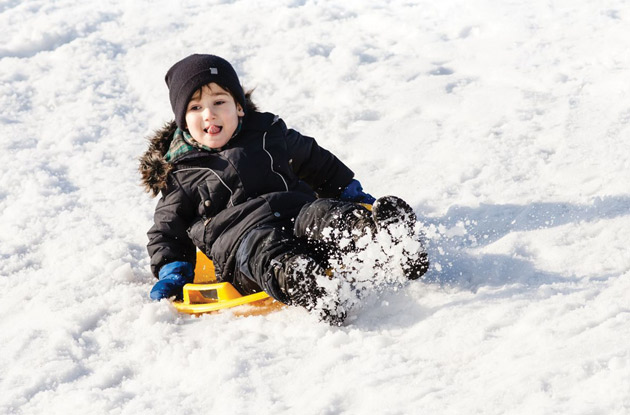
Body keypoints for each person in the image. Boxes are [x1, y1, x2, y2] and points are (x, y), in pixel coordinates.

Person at [139, 54, 428, 324]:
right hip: (242, 241)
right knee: (267, 251)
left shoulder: (269, 134)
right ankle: (306, 285)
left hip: (297, 212)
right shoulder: (181, 172)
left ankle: (383, 241)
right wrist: (173, 271)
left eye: (219, 102)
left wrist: (352, 194)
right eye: (195, 107)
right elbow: (167, 230)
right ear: (183, 122)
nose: (209, 115)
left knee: (323, 214)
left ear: (239, 107)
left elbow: (318, 162)